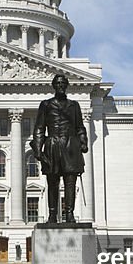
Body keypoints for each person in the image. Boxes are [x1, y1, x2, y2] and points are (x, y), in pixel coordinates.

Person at [30, 74, 88, 223]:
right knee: (53, 183)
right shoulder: (46, 105)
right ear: (54, 86)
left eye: (63, 83)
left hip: (71, 146)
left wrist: (83, 141)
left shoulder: (74, 106)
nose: (61, 86)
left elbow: (80, 127)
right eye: (58, 83)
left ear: (67, 85)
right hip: (53, 145)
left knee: (70, 183)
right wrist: (37, 150)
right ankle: (52, 214)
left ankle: (69, 213)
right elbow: (39, 128)